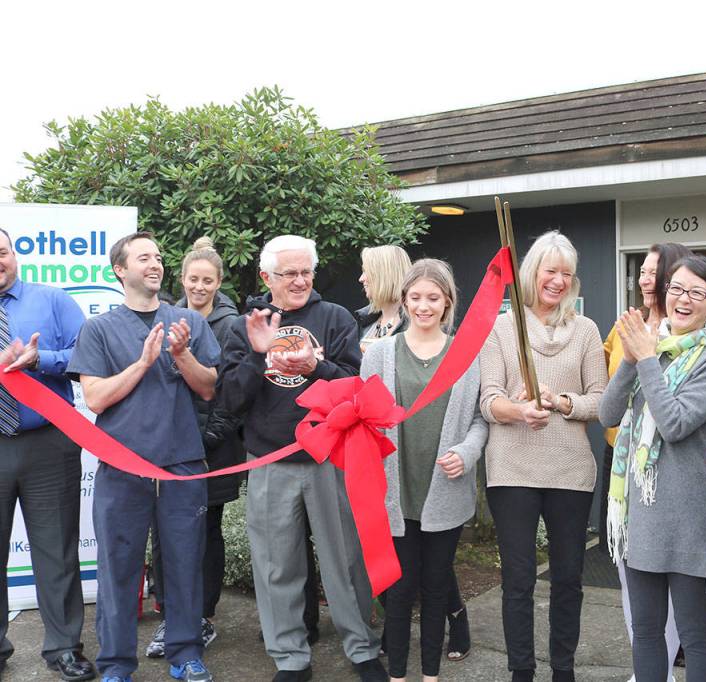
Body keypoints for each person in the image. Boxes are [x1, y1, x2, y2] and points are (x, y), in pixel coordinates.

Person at [218, 235, 387, 682]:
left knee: (346, 560)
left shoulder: (333, 318)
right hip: (270, 459)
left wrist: (317, 369)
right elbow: (230, 399)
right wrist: (259, 354)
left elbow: (356, 384)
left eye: (305, 272)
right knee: (276, 565)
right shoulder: (243, 325)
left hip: (330, 457)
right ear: (266, 276)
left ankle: (363, 648)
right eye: (289, 273)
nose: (299, 281)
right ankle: (290, 657)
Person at [68, 232, 219, 682]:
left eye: (158, 257)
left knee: (185, 563)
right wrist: (141, 362)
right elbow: (94, 399)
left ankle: (186, 655)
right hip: (123, 468)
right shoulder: (99, 329)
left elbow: (209, 386)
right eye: (143, 258)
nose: (155, 264)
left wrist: (181, 354)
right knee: (118, 567)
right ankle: (116, 665)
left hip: (181, 465)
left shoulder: (187, 321)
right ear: (120, 270)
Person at [479, 230, 608, 682]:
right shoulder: (500, 327)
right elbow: (488, 400)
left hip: (571, 471)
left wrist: (561, 403)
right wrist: (518, 410)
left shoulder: (587, 330)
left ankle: (564, 670)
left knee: (569, 578)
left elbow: (602, 400)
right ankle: (521, 671)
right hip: (512, 468)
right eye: (550, 271)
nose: (557, 280)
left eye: (566, 273)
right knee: (517, 580)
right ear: (532, 272)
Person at [600, 254, 706, 682]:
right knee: (645, 633)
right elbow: (607, 412)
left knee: (695, 637)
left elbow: (674, 424)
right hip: (642, 513)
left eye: (698, 292)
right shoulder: (650, 347)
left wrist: (645, 359)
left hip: (692, 516)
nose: (684, 299)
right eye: (676, 288)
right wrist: (635, 355)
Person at [360, 258, 487, 682]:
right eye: (416, 297)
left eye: (433, 298)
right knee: (398, 592)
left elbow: (479, 419)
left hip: (444, 491)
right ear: (404, 300)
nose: (424, 306)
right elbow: (364, 421)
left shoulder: (467, 357)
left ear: (448, 302)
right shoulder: (379, 354)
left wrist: (467, 453)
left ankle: (430, 675)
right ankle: (397, 674)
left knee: (435, 589)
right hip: (395, 492)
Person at [0, 229, 95, 682]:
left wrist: (42, 361)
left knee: (57, 551)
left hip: (48, 445)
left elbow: (87, 354)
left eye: (0, 252)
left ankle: (63, 648)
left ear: (14, 255)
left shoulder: (53, 299)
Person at [146, 237, 244, 658]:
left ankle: (202, 616)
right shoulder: (164, 318)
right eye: (192, 279)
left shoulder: (232, 324)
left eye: (207, 280)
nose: (199, 287)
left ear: (219, 282)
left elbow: (230, 395)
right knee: (163, 532)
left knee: (206, 532)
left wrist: (205, 439)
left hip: (212, 450)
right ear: (181, 279)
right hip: (169, 448)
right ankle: (169, 614)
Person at [600, 242, 691, 682]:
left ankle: (663, 671)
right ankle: (647, 666)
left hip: (666, 472)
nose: (644, 278)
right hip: (622, 469)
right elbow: (608, 396)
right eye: (642, 271)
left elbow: (676, 413)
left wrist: (650, 353)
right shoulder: (624, 327)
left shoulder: (686, 336)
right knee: (629, 577)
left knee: (668, 590)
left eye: (655, 271)